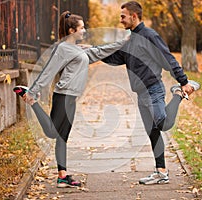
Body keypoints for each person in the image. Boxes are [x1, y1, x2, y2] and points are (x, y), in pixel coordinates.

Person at [14, 11, 126, 188]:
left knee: (63, 137)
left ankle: (62, 176)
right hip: (64, 95)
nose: (84, 30)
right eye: (82, 28)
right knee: (53, 133)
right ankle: (31, 101)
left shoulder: (76, 48)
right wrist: (34, 92)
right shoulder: (63, 48)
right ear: (72, 30)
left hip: (71, 97)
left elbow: (99, 52)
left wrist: (124, 42)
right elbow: (49, 70)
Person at [102, 1, 200, 184]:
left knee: (163, 124)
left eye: (123, 16)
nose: (120, 20)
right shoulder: (131, 39)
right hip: (140, 93)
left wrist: (183, 81)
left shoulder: (149, 36)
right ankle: (161, 173)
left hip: (153, 88)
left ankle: (178, 94)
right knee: (153, 132)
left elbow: (167, 59)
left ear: (134, 16)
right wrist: (93, 53)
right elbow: (117, 58)